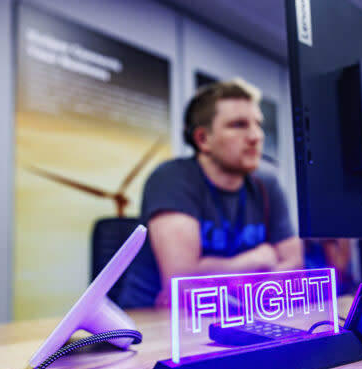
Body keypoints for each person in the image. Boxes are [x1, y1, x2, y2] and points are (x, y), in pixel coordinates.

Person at [118, 79, 302, 307]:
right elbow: (183, 282)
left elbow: (294, 266)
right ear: (203, 139)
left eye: (258, 124)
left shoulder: (267, 185)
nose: (256, 136)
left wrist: (211, 274)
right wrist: (255, 260)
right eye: (239, 125)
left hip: (232, 316)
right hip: (150, 325)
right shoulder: (172, 178)